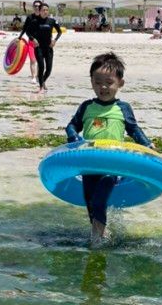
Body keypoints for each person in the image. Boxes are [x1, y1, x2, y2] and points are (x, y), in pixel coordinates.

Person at [65, 52, 154, 245]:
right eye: (97, 82)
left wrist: (147, 144)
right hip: (89, 164)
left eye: (109, 82)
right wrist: (74, 137)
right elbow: (71, 125)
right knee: (91, 204)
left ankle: (97, 242)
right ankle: (100, 235)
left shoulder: (123, 108)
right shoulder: (87, 107)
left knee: (100, 198)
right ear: (91, 82)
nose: (103, 87)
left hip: (113, 164)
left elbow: (133, 129)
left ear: (120, 83)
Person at [21, 1, 61, 93]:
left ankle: (42, 81)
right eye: (43, 10)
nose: (45, 12)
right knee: (41, 66)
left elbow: (60, 31)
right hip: (38, 47)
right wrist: (33, 39)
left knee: (49, 69)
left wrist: (55, 40)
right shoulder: (35, 21)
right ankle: (41, 88)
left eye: (47, 10)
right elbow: (28, 32)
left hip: (48, 48)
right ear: (40, 11)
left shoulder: (52, 21)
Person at [19, 0, 43, 82]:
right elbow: (25, 28)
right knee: (33, 60)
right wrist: (19, 37)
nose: (37, 7)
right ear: (33, 7)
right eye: (35, 6)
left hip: (41, 43)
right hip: (31, 42)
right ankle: (33, 77)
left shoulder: (43, 17)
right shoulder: (30, 17)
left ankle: (38, 77)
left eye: (38, 6)